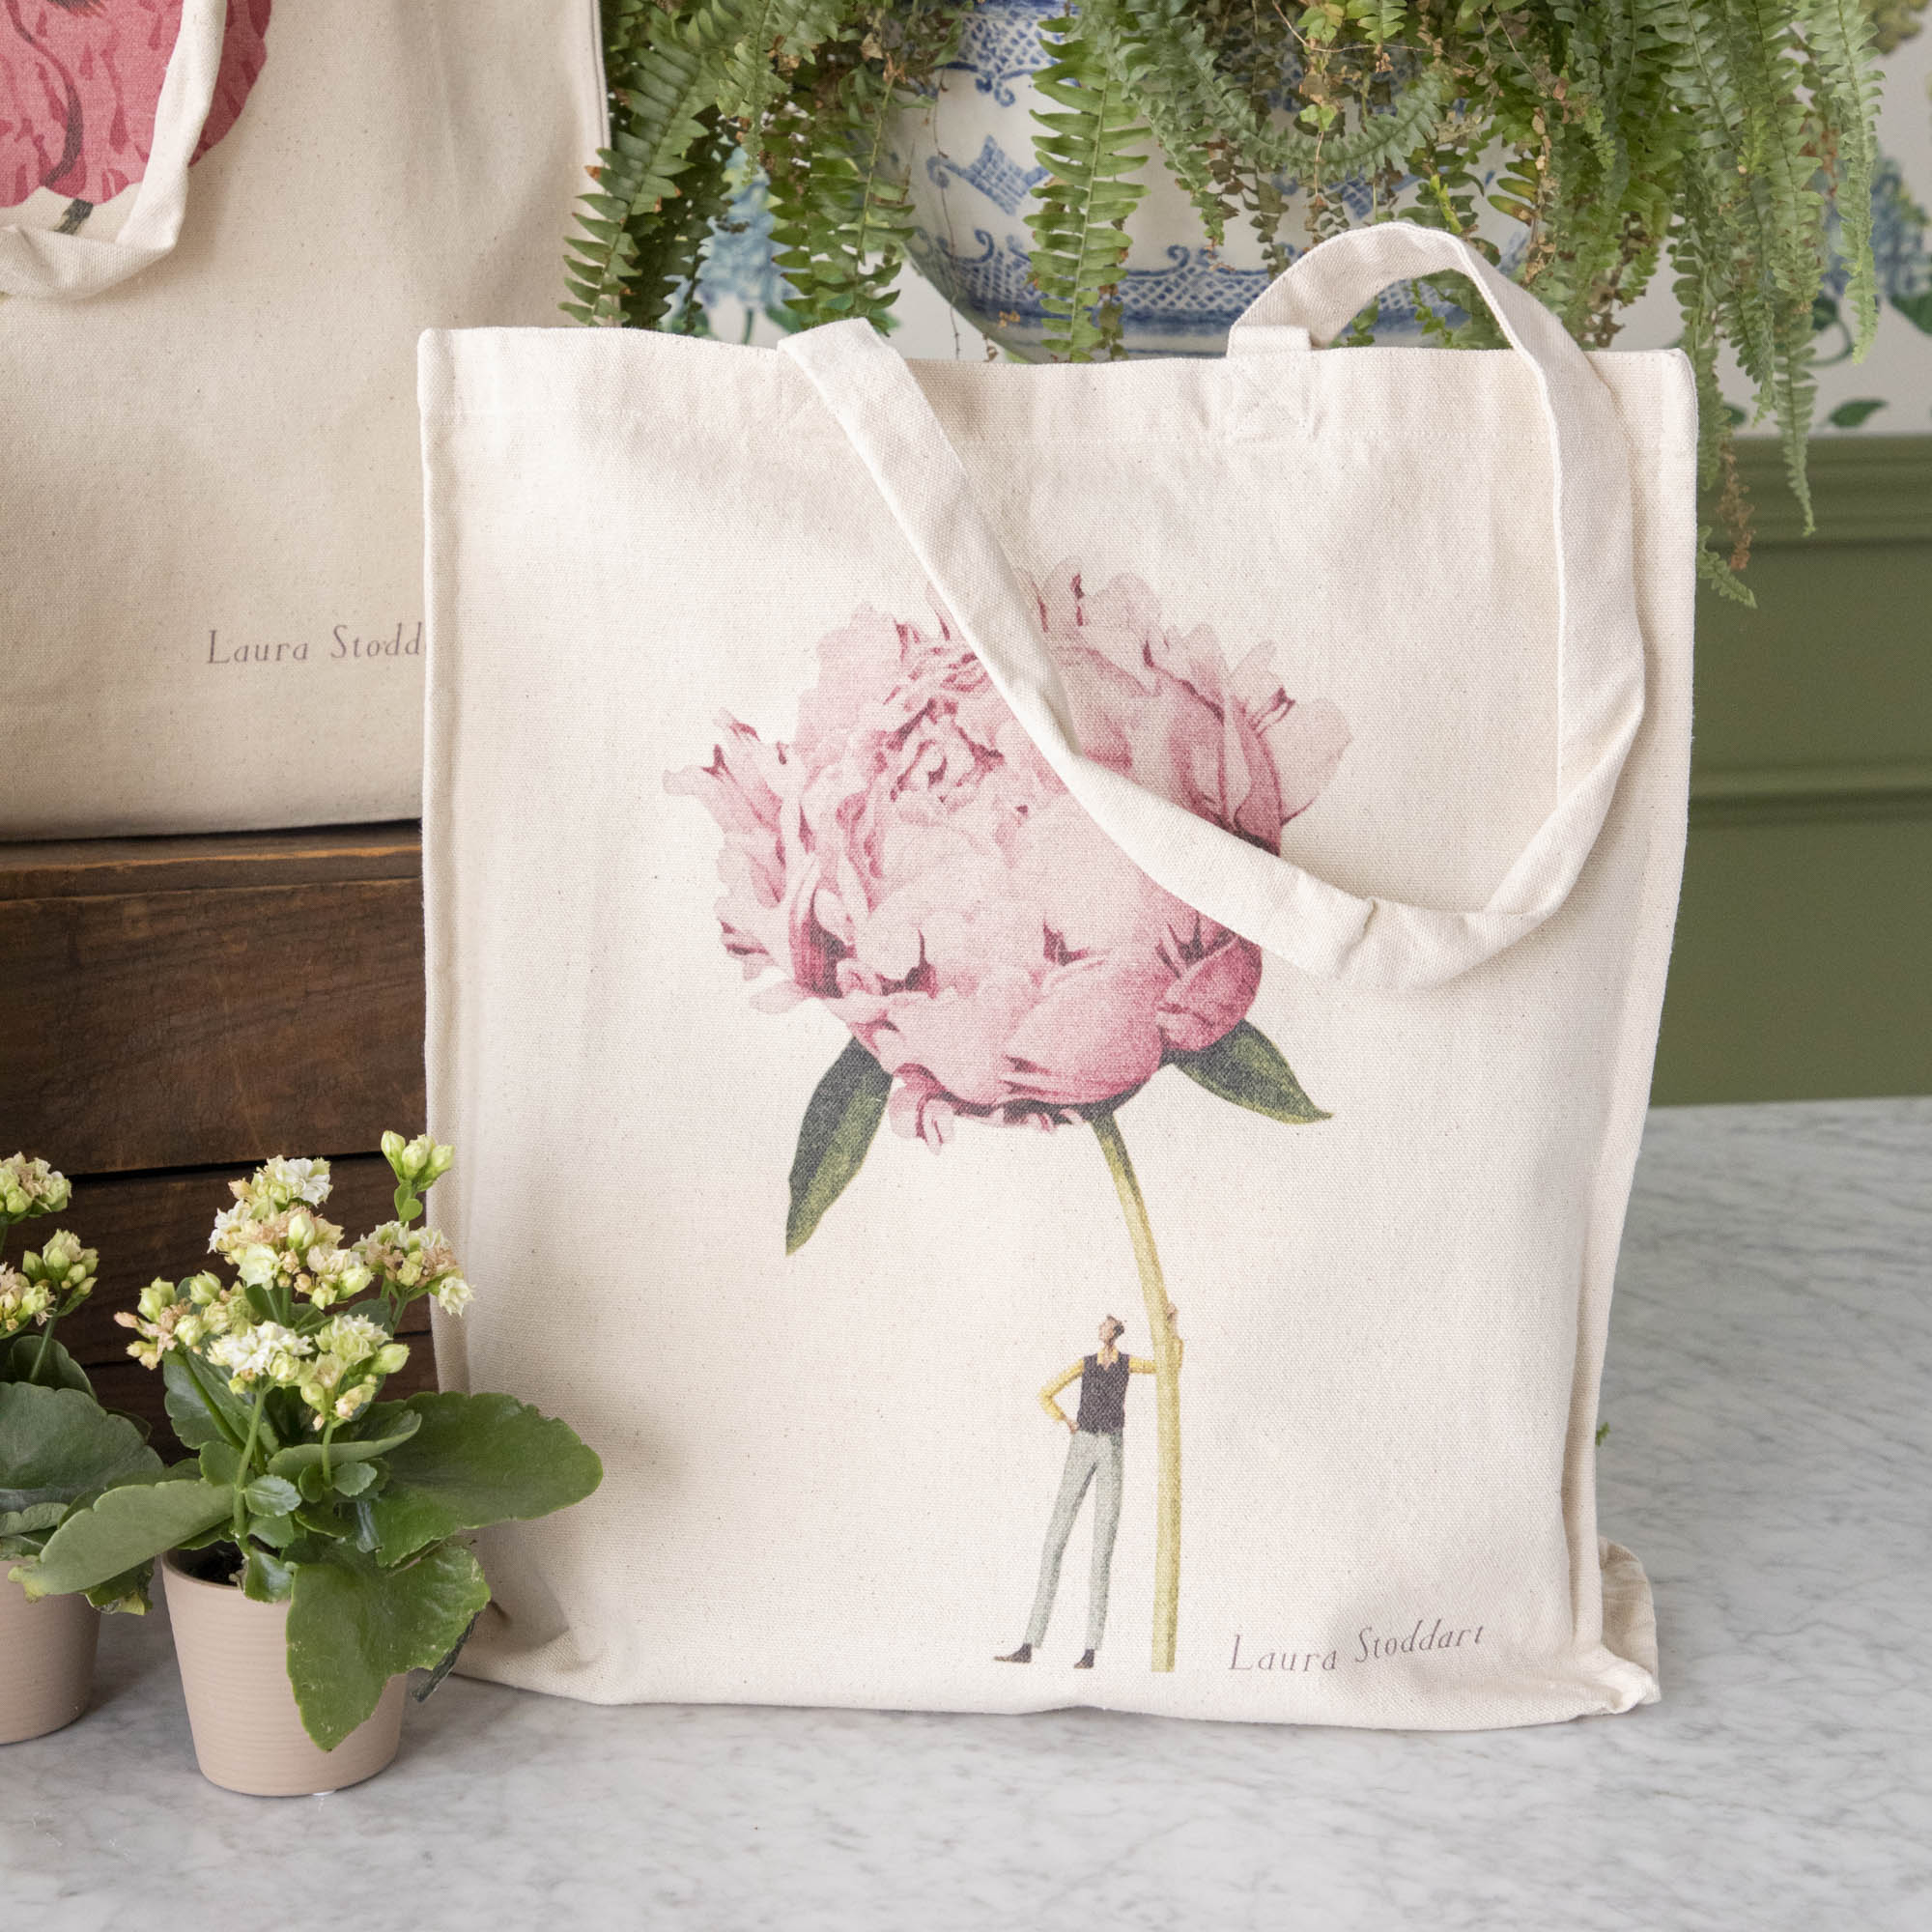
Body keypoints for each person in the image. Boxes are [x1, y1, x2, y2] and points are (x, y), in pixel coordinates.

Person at [997, 1305, 1180, 1669]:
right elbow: (1046, 1393)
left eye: (1106, 1324)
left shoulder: (1127, 1363)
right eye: (1101, 1324)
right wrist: (1064, 1419)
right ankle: (1029, 1643)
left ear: (1115, 1331)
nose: (1101, 1327)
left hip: (1111, 1446)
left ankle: (1090, 1650)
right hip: (1082, 1444)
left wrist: (1173, 1330)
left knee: (1102, 1546)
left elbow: (1169, 1367)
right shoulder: (1084, 1364)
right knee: (1054, 1540)